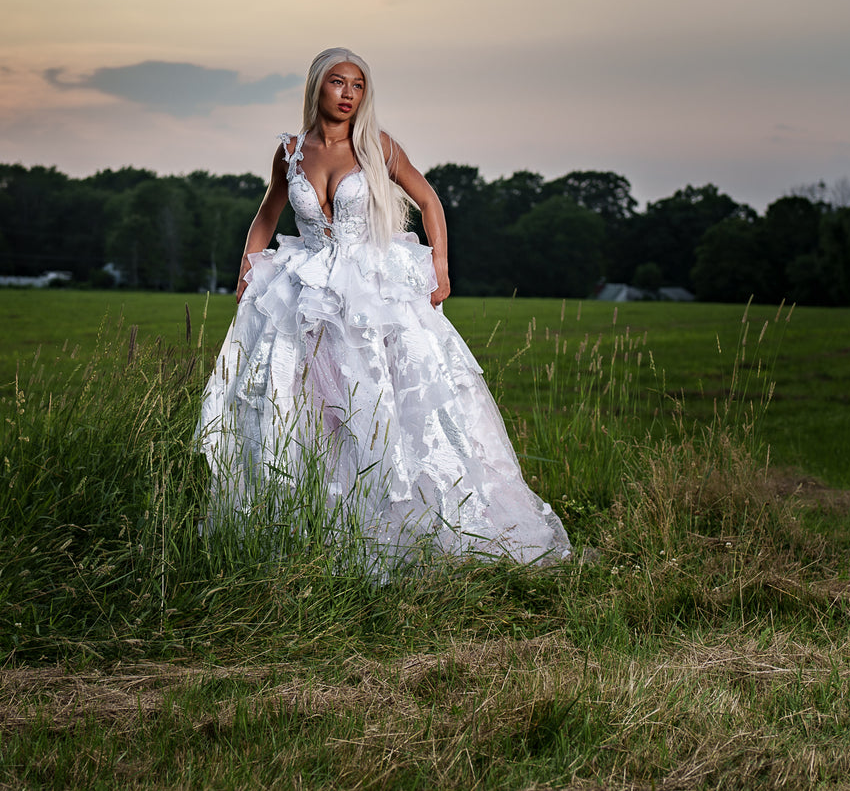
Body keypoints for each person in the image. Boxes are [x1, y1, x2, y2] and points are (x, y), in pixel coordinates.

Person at [196, 47, 571, 573]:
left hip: (372, 289)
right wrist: (246, 272)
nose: (348, 94)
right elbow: (268, 212)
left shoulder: (377, 146)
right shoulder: (290, 152)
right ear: (316, 88)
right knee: (304, 406)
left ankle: (406, 520)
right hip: (304, 289)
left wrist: (440, 265)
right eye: (337, 83)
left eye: (358, 85)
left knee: (384, 400)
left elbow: (430, 201)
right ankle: (317, 524)